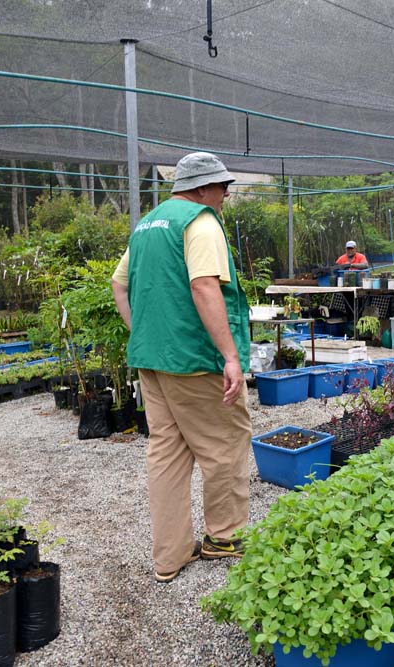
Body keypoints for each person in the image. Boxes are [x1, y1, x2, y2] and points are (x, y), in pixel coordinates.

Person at [111, 152, 251, 583]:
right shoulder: (200, 222)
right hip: (194, 360)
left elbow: (119, 284)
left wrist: (144, 333)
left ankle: (169, 557)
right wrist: (230, 356)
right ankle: (224, 537)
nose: (225, 195)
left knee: (167, 453)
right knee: (225, 443)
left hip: (153, 360)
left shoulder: (147, 226)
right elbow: (204, 285)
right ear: (203, 188)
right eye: (222, 187)